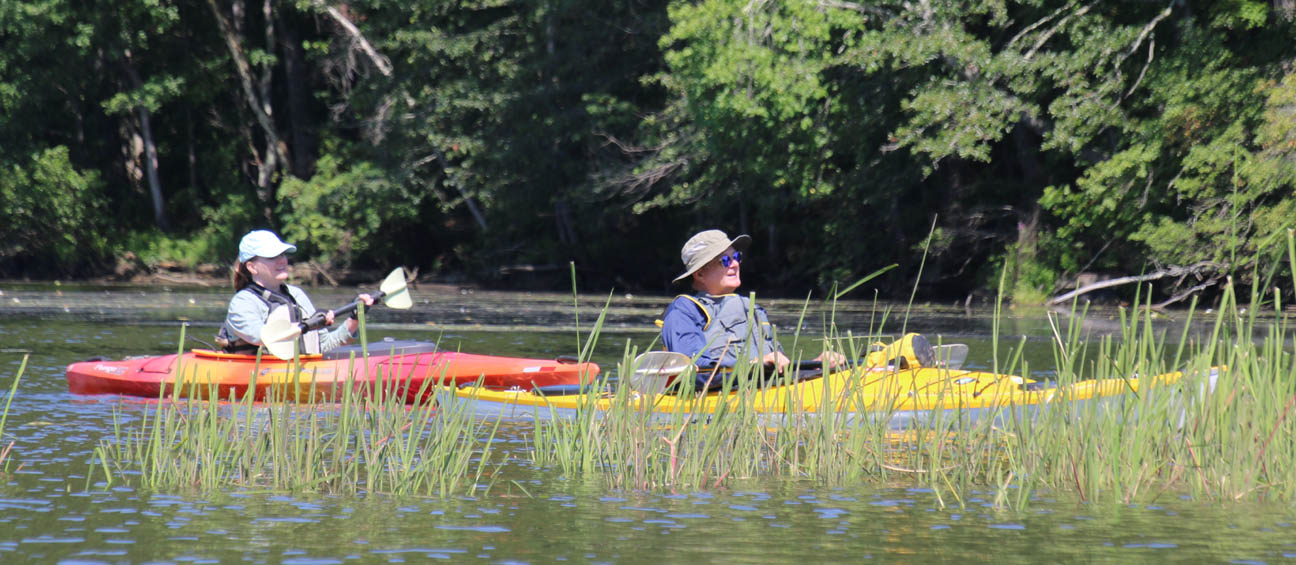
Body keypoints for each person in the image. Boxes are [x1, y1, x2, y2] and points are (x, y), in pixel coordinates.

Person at [659, 229, 844, 388]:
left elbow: (780, 368)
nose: (735, 264)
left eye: (737, 257)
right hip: (722, 394)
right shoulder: (684, 310)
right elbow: (694, 370)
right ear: (700, 273)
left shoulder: (752, 308)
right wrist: (753, 364)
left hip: (766, 388)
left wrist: (817, 365)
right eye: (725, 260)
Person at [215, 230, 373, 355]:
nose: (282, 260)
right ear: (252, 267)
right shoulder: (243, 302)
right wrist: (311, 324)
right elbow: (263, 337)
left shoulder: (296, 295)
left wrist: (354, 318)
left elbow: (325, 345)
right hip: (259, 375)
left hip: (304, 372)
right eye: (272, 256)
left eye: (282, 254)